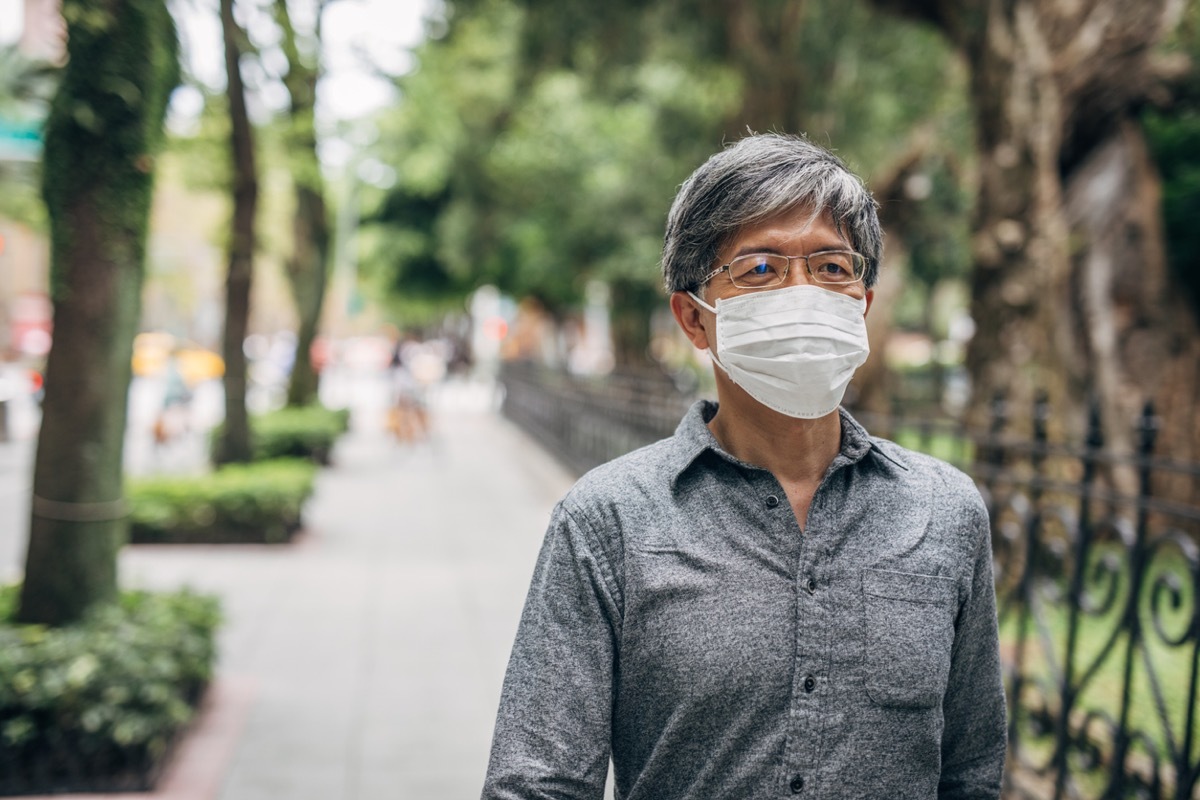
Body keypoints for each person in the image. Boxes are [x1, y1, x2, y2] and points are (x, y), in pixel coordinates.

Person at [481, 133, 1006, 799]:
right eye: (760, 269)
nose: (803, 291)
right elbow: (536, 783)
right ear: (694, 320)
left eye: (832, 268)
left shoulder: (946, 513)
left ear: (863, 306)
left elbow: (972, 773)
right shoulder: (608, 520)